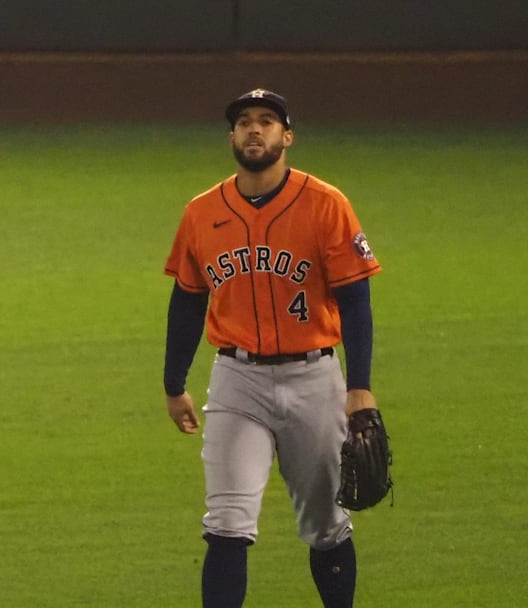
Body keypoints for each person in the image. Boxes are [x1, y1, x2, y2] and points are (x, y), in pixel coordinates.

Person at [161, 89, 382, 608]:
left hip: (315, 380)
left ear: (287, 136)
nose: (254, 129)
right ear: (232, 137)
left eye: (267, 121)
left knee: (327, 525)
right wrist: (174, 383)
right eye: (243, 122)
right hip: (238, 381)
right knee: (226, 524)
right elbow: (188, 301)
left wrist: (360, 388)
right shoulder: (201, 213)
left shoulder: (326, 204)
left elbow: (356, 302)